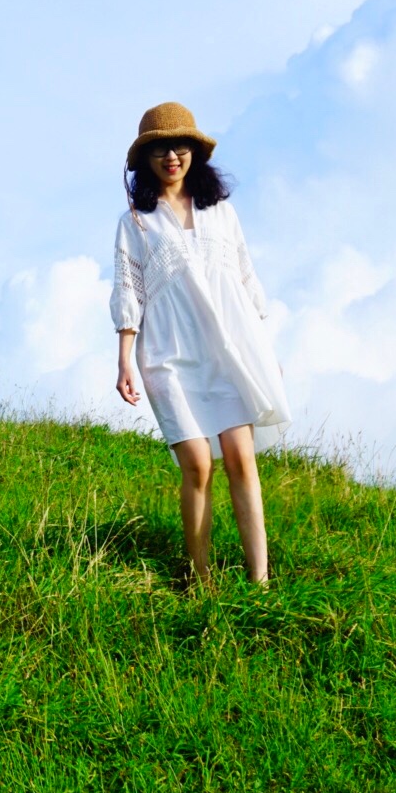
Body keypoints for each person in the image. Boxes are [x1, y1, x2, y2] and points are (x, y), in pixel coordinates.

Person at [110, 102, 290, 586]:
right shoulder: (136, 224)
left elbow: (247, 282)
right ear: (146, 160)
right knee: (196, 464)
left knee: (240, 458)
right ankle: (200, 578)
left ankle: (260, 580)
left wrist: (265, 354)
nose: (172, 155)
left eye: (180, 145)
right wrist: (125, 359)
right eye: (160, 149)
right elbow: (130, 291)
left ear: (195, 151)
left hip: (231, 348)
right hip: (169, 355)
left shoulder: (222, 213)